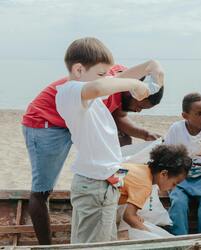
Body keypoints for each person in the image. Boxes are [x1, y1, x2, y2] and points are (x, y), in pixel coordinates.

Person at [22, 58, 163, 244]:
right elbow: (101, 94)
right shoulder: (106, 87)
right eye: (140, 105)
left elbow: (118, 117)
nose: (138, 111)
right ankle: (46, 247)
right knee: (42, 191)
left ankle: (108, 202)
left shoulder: (119, 89)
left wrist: (145, 134)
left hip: (85, 159)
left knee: (124, 141)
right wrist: (138, 80)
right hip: (46, 123)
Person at [164, 93, 201, 235]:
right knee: (178, 203)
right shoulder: (176, 129)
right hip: (180, 177)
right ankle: (180, 243)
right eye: (199, 114)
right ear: (185, 115)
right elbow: (166, 155)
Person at [119, 144, 191, 234]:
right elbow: (128, 216)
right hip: (100, 196)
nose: (174, 188)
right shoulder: (144, 184)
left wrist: (134, 217)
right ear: (163, 174)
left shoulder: (141, 168)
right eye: (174, 183)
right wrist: (150, 236)